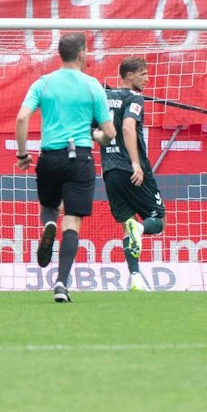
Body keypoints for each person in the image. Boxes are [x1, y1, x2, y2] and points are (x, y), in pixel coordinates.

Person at [13, 32, 116, 303]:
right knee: (72, 220)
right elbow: (110, 132)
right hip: (80, 157)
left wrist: (23, 154)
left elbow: (22, 117)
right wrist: (97, 137)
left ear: (60, 54)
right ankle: (61, 283)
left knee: (49, 207)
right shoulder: (92, 86)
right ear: (81, 54)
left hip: (50, 156)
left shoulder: (44, 83)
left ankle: (48, 224)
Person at [102, 57, 165, 292]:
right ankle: (140, 229)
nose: (147, 79)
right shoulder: (134, 97)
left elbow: (94, 129)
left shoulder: (104, 97)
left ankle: (136, 277)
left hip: (109, 169)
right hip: (133, 169)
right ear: (129, 76)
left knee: (127, 224)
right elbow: (128, 126)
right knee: (158, 221)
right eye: (143, 74)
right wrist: (136, 164)